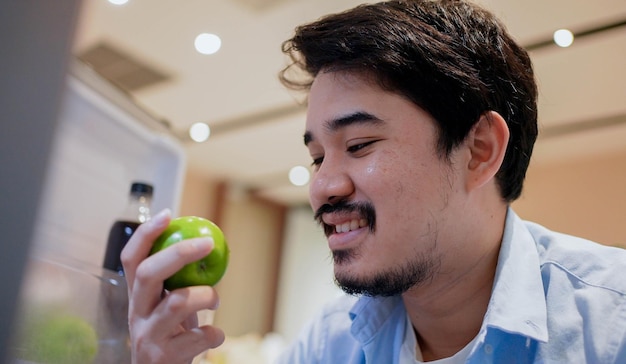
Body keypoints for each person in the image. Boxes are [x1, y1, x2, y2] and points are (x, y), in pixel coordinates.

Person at [121, 0, 626, 363]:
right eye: (318, 157)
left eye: (359, 145)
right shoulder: (331, 340)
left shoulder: (610, 323)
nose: (321, 188)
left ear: (479, 150)